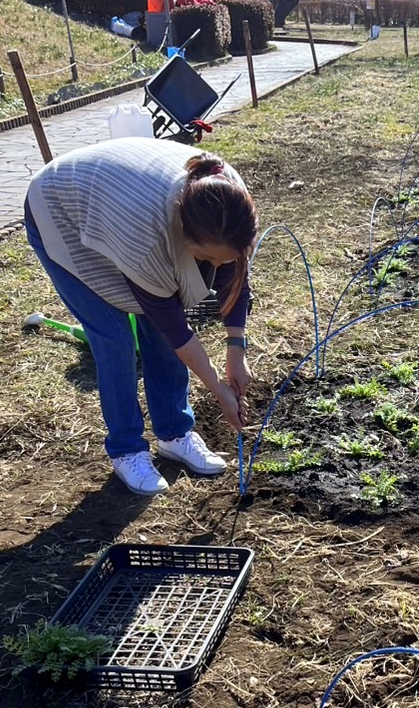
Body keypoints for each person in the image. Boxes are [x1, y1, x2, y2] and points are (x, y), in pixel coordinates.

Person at [24, 138, 260, 496]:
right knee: (114, 339)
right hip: (61, 211)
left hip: (112, 202)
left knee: (162, 332)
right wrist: (218, 391)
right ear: (182, 234)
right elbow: (173, 328)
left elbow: (234, 279)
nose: (214, 268)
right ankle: (127, 450)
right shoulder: (147, 240)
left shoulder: (231, 205)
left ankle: (174, 432)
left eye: (220, 260)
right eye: (205, 259)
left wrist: (235, 354)